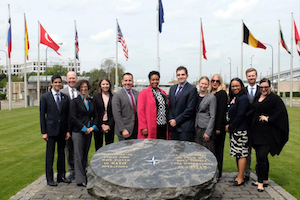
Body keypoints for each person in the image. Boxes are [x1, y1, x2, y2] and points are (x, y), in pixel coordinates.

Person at [251, 78, 289, 192]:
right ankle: (264, 178)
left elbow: (281, 113)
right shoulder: (258, 97)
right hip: (256, 132)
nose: (263, 89)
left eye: (265, 87)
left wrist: (269, 118)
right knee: (260, 156)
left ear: (270, 87)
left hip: (268, 134)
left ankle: (261, 183)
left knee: (262, 156)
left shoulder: (274, 99)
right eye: (261, 87)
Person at [40, 74, 71, 186]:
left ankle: (61, 176)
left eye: (59, 82)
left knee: (61, 154)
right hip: (51, 130)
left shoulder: (65, 98)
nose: (58, 84)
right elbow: (42, 115)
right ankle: (49, 178)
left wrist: (68, 131)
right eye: (56, 82)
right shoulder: (45, 97)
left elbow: (67, 116)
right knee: (50, 155)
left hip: (62, 131)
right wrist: (44, 132)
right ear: (51, 83)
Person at [69, 79, 99, 187]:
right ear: (78, 88)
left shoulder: (91, 101)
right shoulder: (74, 102)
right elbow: (73, 118)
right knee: (78, 155)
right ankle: (80, 179)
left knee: (85, 155)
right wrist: (83, 128)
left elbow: (96, 116)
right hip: (78, 132)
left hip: (89, 131)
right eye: (82, 87)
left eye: (85, 87)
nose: (84, 89)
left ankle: (86, 177)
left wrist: (93, 127)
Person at [225, 78, 250, 186]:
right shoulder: (235, 98)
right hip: (235, 131)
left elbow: (241, 115)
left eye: (237, 85)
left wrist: (230, 127)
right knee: (237, 153)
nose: (235, 88)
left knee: (242, 154)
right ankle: (239, 176)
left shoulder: (243, 98)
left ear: (241, 86)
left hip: (241, 131)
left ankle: (240, 178)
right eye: (233, 86)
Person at [137, 71, 170, 139]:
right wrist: (143, 127)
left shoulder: (162, 93)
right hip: (151, 126)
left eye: (157, 79)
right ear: (149, 80)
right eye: (153, 80)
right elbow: (140, 111)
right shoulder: (143, 93)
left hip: (163, 126)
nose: (155, 81)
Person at [168, 66, 198, 141]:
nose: (180, 77)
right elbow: (170, 106)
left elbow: (190, 109)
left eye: (183, 74)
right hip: (173, 128)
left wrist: (176, 121)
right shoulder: (172, 88)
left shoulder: (192, 89)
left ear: (187, 76)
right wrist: (171, 119)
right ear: (176, 76)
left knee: (184, 152)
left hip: (185, 129)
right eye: (178, 75)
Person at [209, 74, 228, 179]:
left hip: (218, 127)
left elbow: (221, 111)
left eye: (217, 81)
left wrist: (217, 128)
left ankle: (218, 173)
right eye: (213, 80)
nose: (215, 82)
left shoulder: (222, 94)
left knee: (218, 150)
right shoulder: (210, 92)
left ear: (220, 82)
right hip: (209, 126)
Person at [60, 71, 78, 181]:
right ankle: (71, 170)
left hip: (79, 126)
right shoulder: (62, 92)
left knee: (80, 149)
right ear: (66, 79)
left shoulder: (81, 91)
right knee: (68, 149)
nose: (72, 80)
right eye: (69, 78)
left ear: (76, 79)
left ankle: (81, 169)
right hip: (66, 126)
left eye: (73, 78)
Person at [244, 68, 261, 182]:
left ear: (256, 76)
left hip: (259, 126)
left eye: (253, 75)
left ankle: (260, 174)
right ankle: (246, 174)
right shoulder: (243, 90)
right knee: (246, 151)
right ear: (247, 77)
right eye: (249, 76)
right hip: (246, 125)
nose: (251, 77)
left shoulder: (262, 90)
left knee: (260, 152)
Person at [112, 73, 139, 141]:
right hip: (124, 131)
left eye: (130, 80)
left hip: (136, 129)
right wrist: (123, 129)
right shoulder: (117, 95)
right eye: (126, 80)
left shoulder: (137, 94)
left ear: (132, 82)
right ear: (122, 82)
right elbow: (117, 114)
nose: (128, 83)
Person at [195, 76, 217, 154]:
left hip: (205, 128)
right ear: (198, 84)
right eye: (202, 83)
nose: (203, 86)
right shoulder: (195, 96)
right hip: (196, 128)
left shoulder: (211, 98)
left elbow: (213, 116)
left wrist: (208, 132)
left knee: (207, 153)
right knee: (197, 152)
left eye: (205, 84)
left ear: (208, 85)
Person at [93, 78, 115, 151]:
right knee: (98, 146)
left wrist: (109, 125)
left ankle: (108, 162)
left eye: (107, 84)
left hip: (110, 124)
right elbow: (95, 112)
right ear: (100, 85)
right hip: (99, 124)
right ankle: (98, 162)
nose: (105, 86)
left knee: (109, 146)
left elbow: (114, 113)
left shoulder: (113, 97)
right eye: (103, 84)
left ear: (109, 85)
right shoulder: (96, 97)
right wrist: (101, 125)